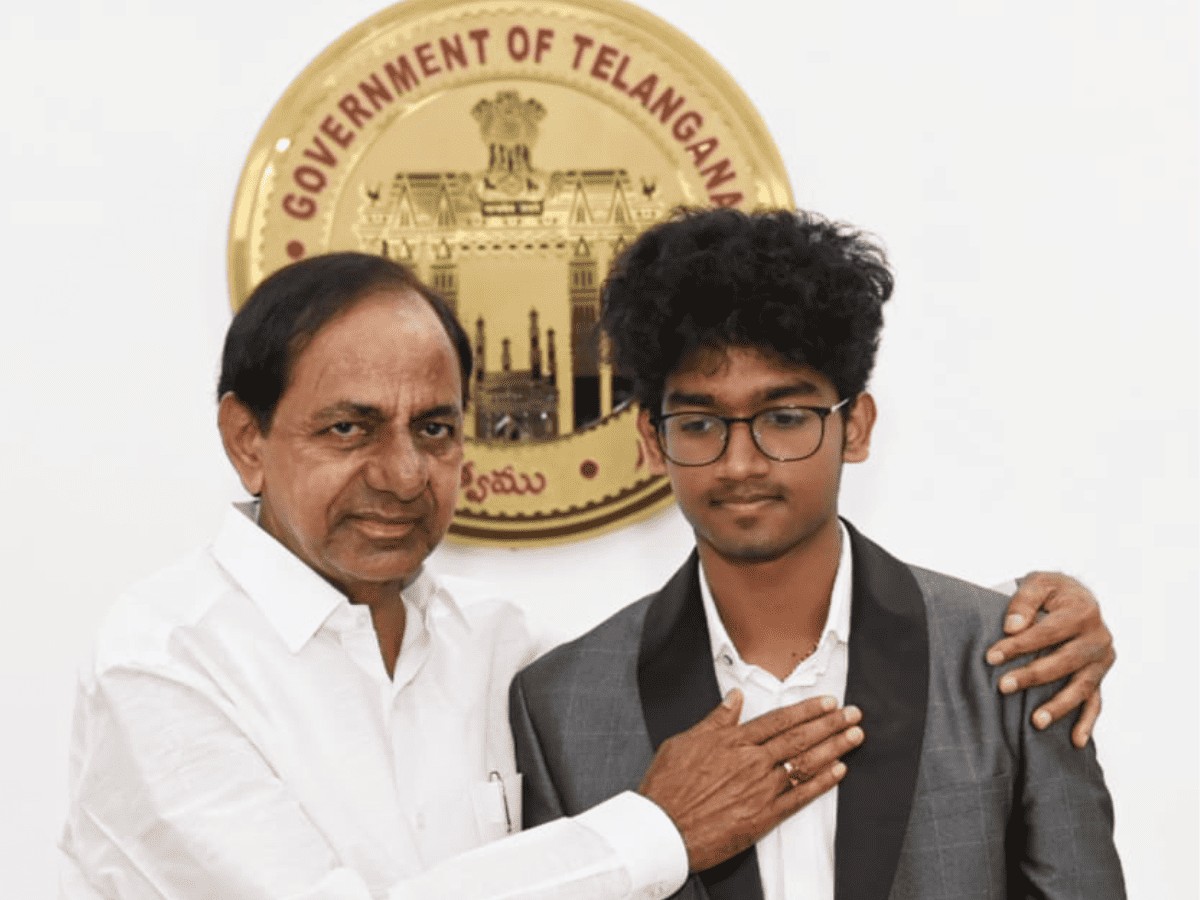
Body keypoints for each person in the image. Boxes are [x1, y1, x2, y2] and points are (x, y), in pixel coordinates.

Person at [61, 250, 1113, 898]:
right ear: (246, 440)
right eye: (349, 428)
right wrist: (655, 830)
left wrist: (1045, 614)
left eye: (436, 428)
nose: (401, 474)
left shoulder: (500, 656)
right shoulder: (161, 668)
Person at [510, 208, 1125, 898]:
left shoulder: (1009, 660)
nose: (741, 463)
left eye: (783, 418)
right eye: (701, 423)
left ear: (855, 427)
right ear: (654, 443)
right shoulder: (562, 705)